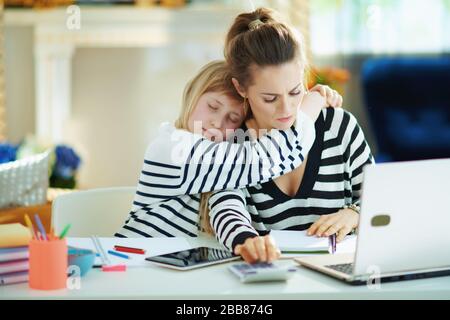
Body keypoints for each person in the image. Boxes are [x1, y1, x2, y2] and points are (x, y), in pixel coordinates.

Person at [208, 8, 375, 263]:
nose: (286, 110)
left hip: (339, 280)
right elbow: (225, 207)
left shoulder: (340, 128)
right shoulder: (232, 142)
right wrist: (246, 241)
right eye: (270, 98)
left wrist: (355, 214)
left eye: (295, 92)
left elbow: (382, 203)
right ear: (241, 87)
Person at [115, 60, 341, 238]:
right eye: (212, 106)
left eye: (232, 118)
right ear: (192, 93)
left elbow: (229, 201)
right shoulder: (172, 148)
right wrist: (308, 107)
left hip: (172, 269)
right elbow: (264, 158)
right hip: (132, 263)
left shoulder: (222, 165)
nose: (216, 123)